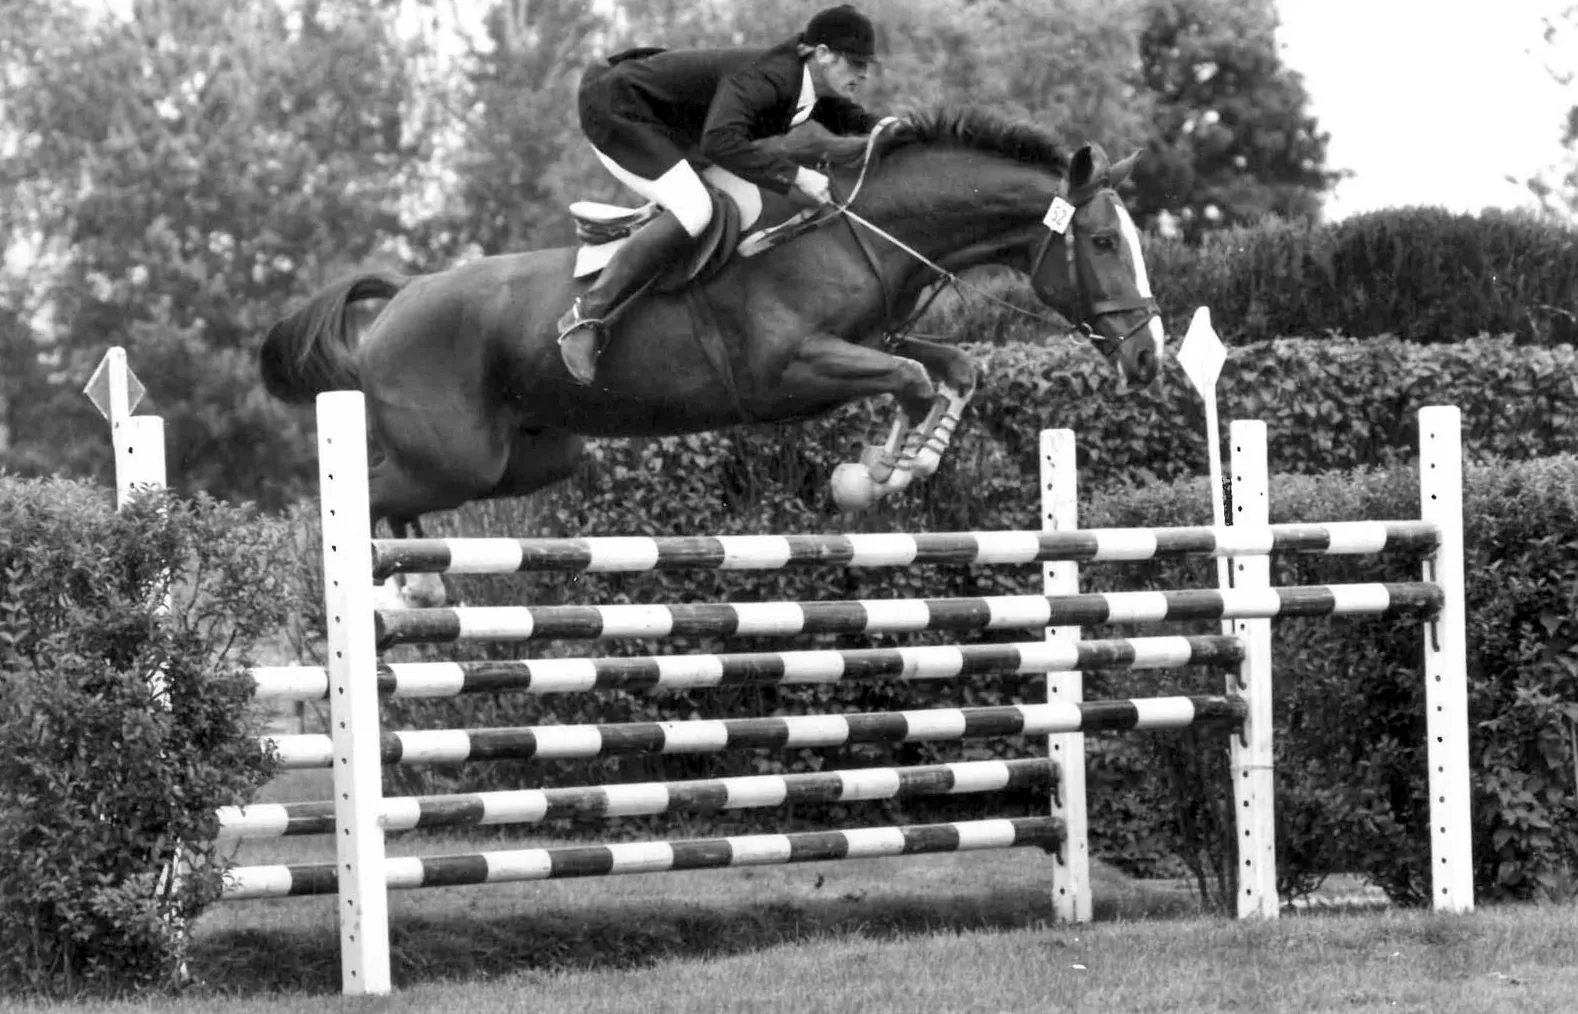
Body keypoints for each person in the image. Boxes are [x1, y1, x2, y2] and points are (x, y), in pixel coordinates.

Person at [556, 4, 886, 385]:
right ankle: (584, 316)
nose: (863, 73)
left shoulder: (804, 83)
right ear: (823, 54)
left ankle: (653, 227)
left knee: (734, 196)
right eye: (855, 62)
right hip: (618, 111)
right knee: (697, 209)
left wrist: (887, 128)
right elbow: (719, 142)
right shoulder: (770, 77)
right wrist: (795, 175)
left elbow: (840, 113)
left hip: (663, 123)